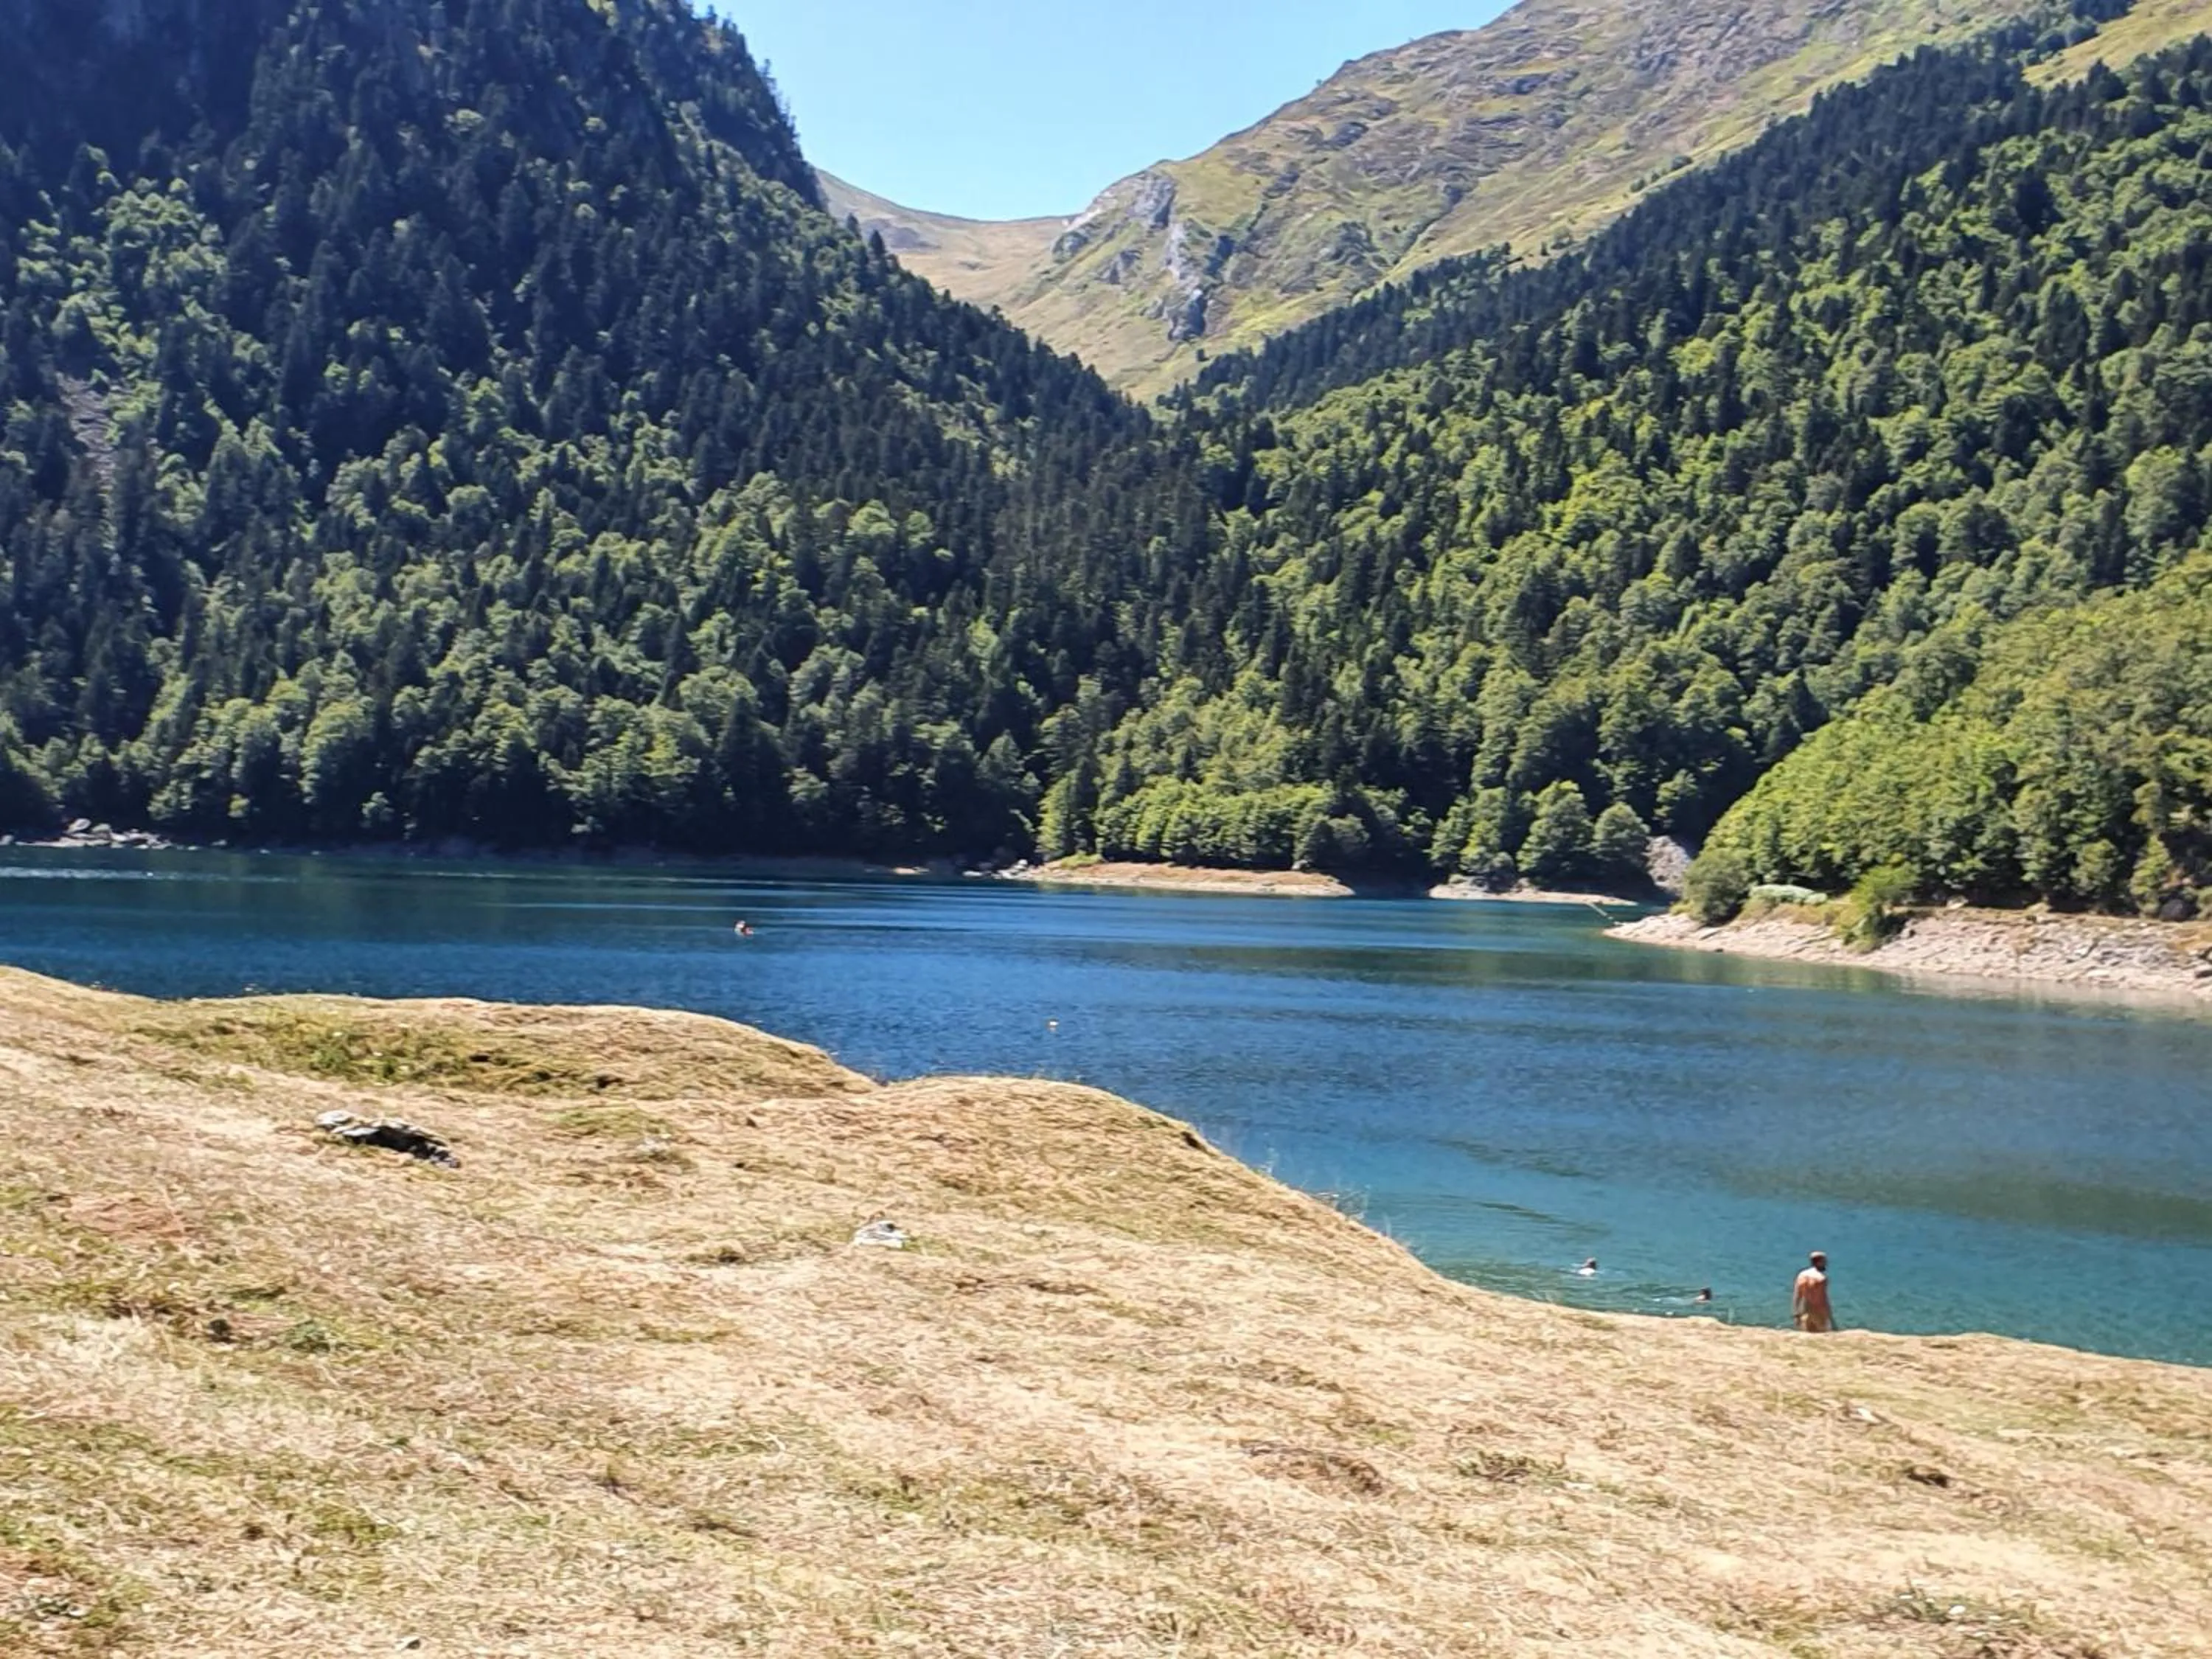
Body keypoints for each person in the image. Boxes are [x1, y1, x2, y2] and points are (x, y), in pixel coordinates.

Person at [1792, 1251, 1834, 1332]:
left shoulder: (1802, 1275)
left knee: (1807, 1337)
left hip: (1805, 1311)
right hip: (1819, 1312)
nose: (1826, 1264)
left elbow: (1797, 1295)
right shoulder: (1821, 1278)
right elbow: (1823, 1299)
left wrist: (1796, 1313)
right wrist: (1830, 1318)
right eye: (1824, 1262)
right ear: (1819, 1262)